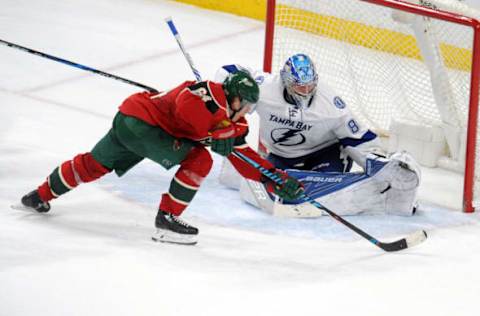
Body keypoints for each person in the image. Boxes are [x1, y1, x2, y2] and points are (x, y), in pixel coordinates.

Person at [19, 71, 304, 245]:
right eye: (247, 104)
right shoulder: (204, 95)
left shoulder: (232, 123)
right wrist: (214, 133)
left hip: (131, 118)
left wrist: (273, 178)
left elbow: (243, 156)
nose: (247, 112)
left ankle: (39, 195)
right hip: (145, 127)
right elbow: (185, 111)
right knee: (200, 160)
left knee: (93, 164)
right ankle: (167, 218)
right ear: (235, 98)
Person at [216, 54, 421, 217]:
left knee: (311, 190)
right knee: (258, 182)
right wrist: (220, 90)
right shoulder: (265, 88)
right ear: (286, 81)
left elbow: (357, 138)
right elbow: (230, 72)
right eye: (299, 86)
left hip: (325, 154)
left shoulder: (330, 103)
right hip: (282, 155)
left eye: (310, 85)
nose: (306, 91)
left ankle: (383, 200)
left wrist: (376, 163)